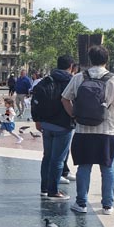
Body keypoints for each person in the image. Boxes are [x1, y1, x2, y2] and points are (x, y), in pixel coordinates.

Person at [62, 45, 114, 215]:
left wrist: (74, 116)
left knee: (84, 167)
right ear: (107, 59)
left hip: (83, 130)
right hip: (108, 131)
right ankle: (107, 205)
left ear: (90, 59)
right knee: (107, 168)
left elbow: (64, 99)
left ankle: (81, 203)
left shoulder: (78, 77)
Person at [32, 55, 75, 201]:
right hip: (63, 125)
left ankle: (44, 188)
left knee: (47, 156)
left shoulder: (46, 80)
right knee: (58, 159)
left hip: (46, 124)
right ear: (71, 67)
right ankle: (53, 191)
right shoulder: (71, 81)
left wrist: (37, 120)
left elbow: (35, 100)